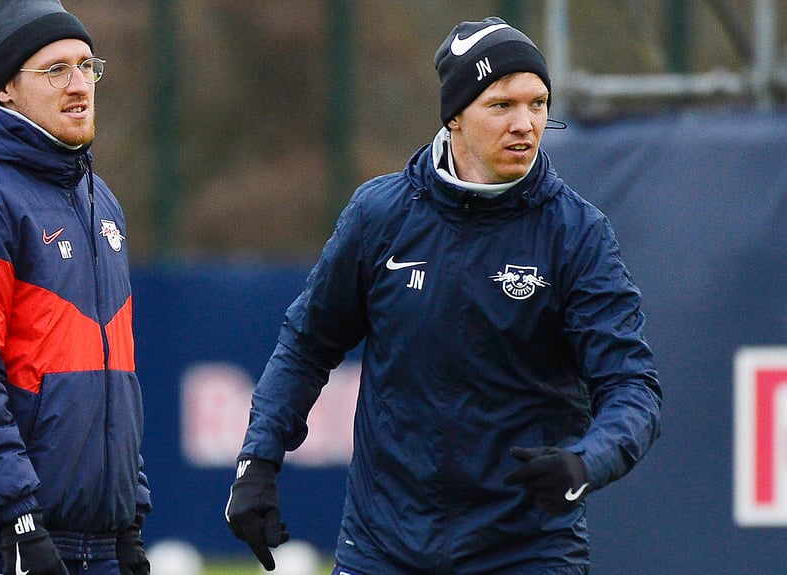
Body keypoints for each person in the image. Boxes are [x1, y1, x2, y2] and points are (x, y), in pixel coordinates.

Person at [225, 16, 662, 575]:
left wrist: (585, 461)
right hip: (383, 548)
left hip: (526, 551)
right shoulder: (380, 215)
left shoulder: (577, 234)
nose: (525, 124)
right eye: (502, 105)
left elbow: (631, 386)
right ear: (454, 115)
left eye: (538, 103)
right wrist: (258, 459)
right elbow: (307, 346)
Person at [0, 2, 150, 574]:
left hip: (97, 541)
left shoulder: (99, 198)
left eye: (86, 66)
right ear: (7, 89)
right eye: (54, 70)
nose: (77, 85)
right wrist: (18, 515)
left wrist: (130, 521)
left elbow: (116, 377)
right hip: (1, 537)